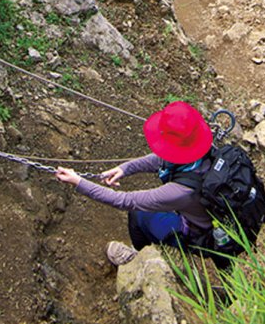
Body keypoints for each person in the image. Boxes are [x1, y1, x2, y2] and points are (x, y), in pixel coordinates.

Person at [55, 100, 215, 266]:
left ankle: (138, 260)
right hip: (206, 216)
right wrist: (125, 168)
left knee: (138, 213)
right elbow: (163, 159)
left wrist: (78, 182)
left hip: (199, 234)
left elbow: (125, 201)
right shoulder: (201, 146)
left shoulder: (180, 192)